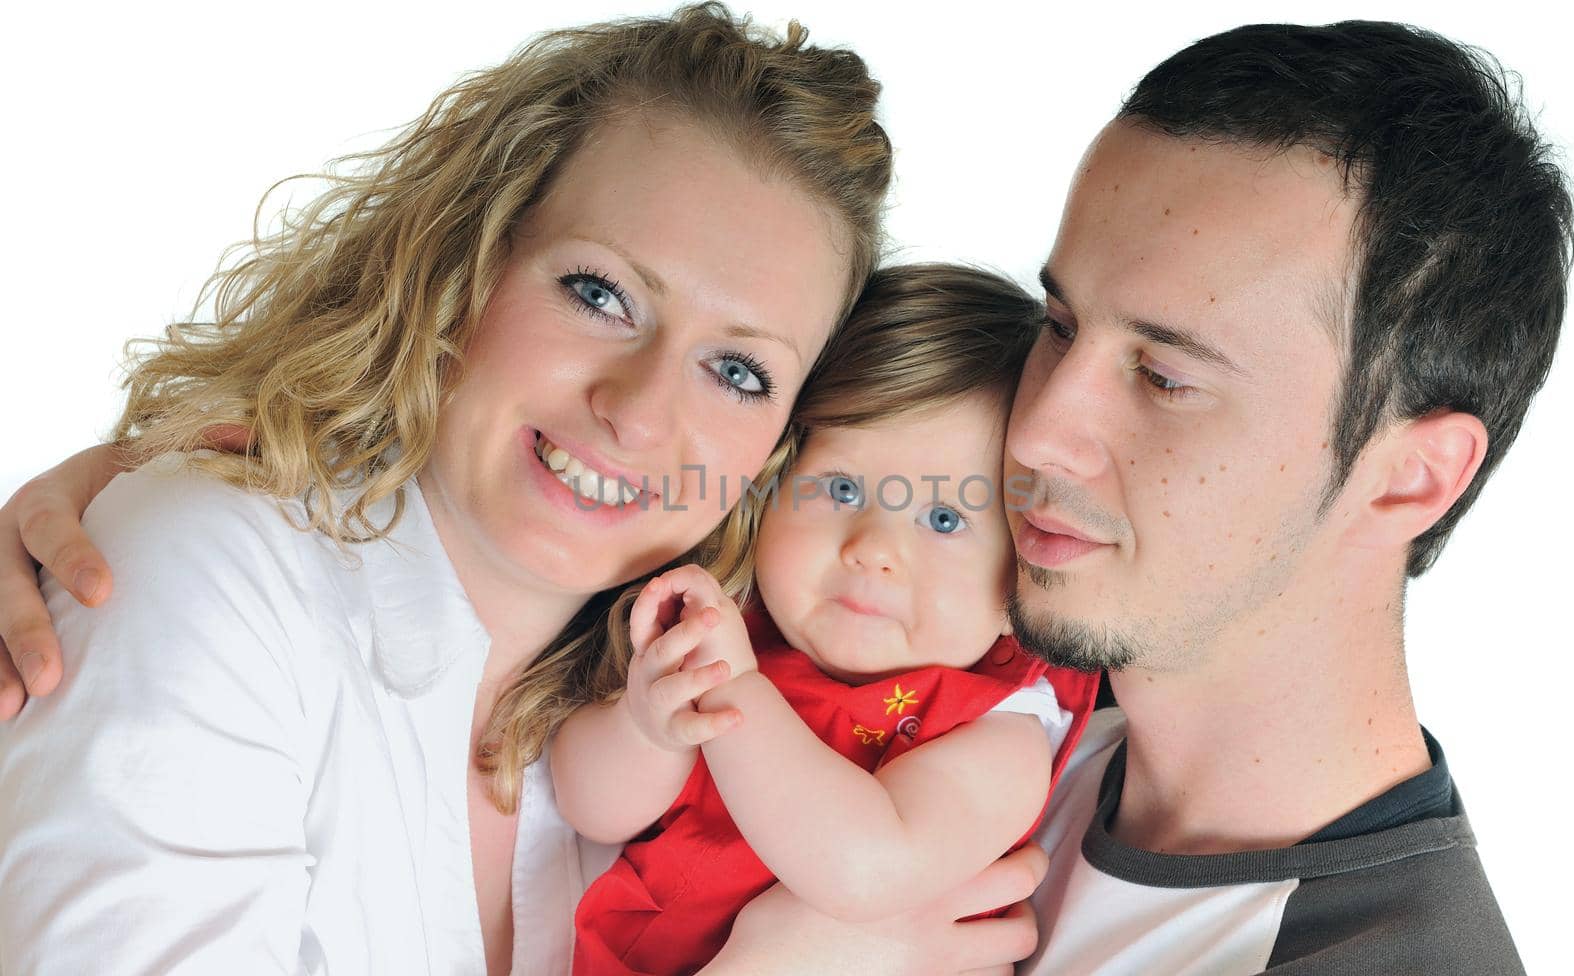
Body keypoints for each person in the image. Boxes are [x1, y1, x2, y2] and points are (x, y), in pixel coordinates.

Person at [0, 15, 1574, 976]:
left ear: (1416, 471)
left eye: (1165, 374)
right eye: (1059, 326)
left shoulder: (1366, 961)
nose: (1042, 430)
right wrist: (182, 494)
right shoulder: (998, 697)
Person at [0, 4, 962, 973]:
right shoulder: (209, 572)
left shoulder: (707, 725)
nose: (638, 413)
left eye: (739, 372)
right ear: (463, 260)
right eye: (599, 293)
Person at [553, 265, 1098, 975]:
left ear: (1020, 582)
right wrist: (644, 729)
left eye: (944, 518)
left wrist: (736, 694)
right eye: (841, 487)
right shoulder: (734, 626)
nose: (872, 550)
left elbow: (863, 871)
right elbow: (589, 809)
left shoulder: (1002, 730)